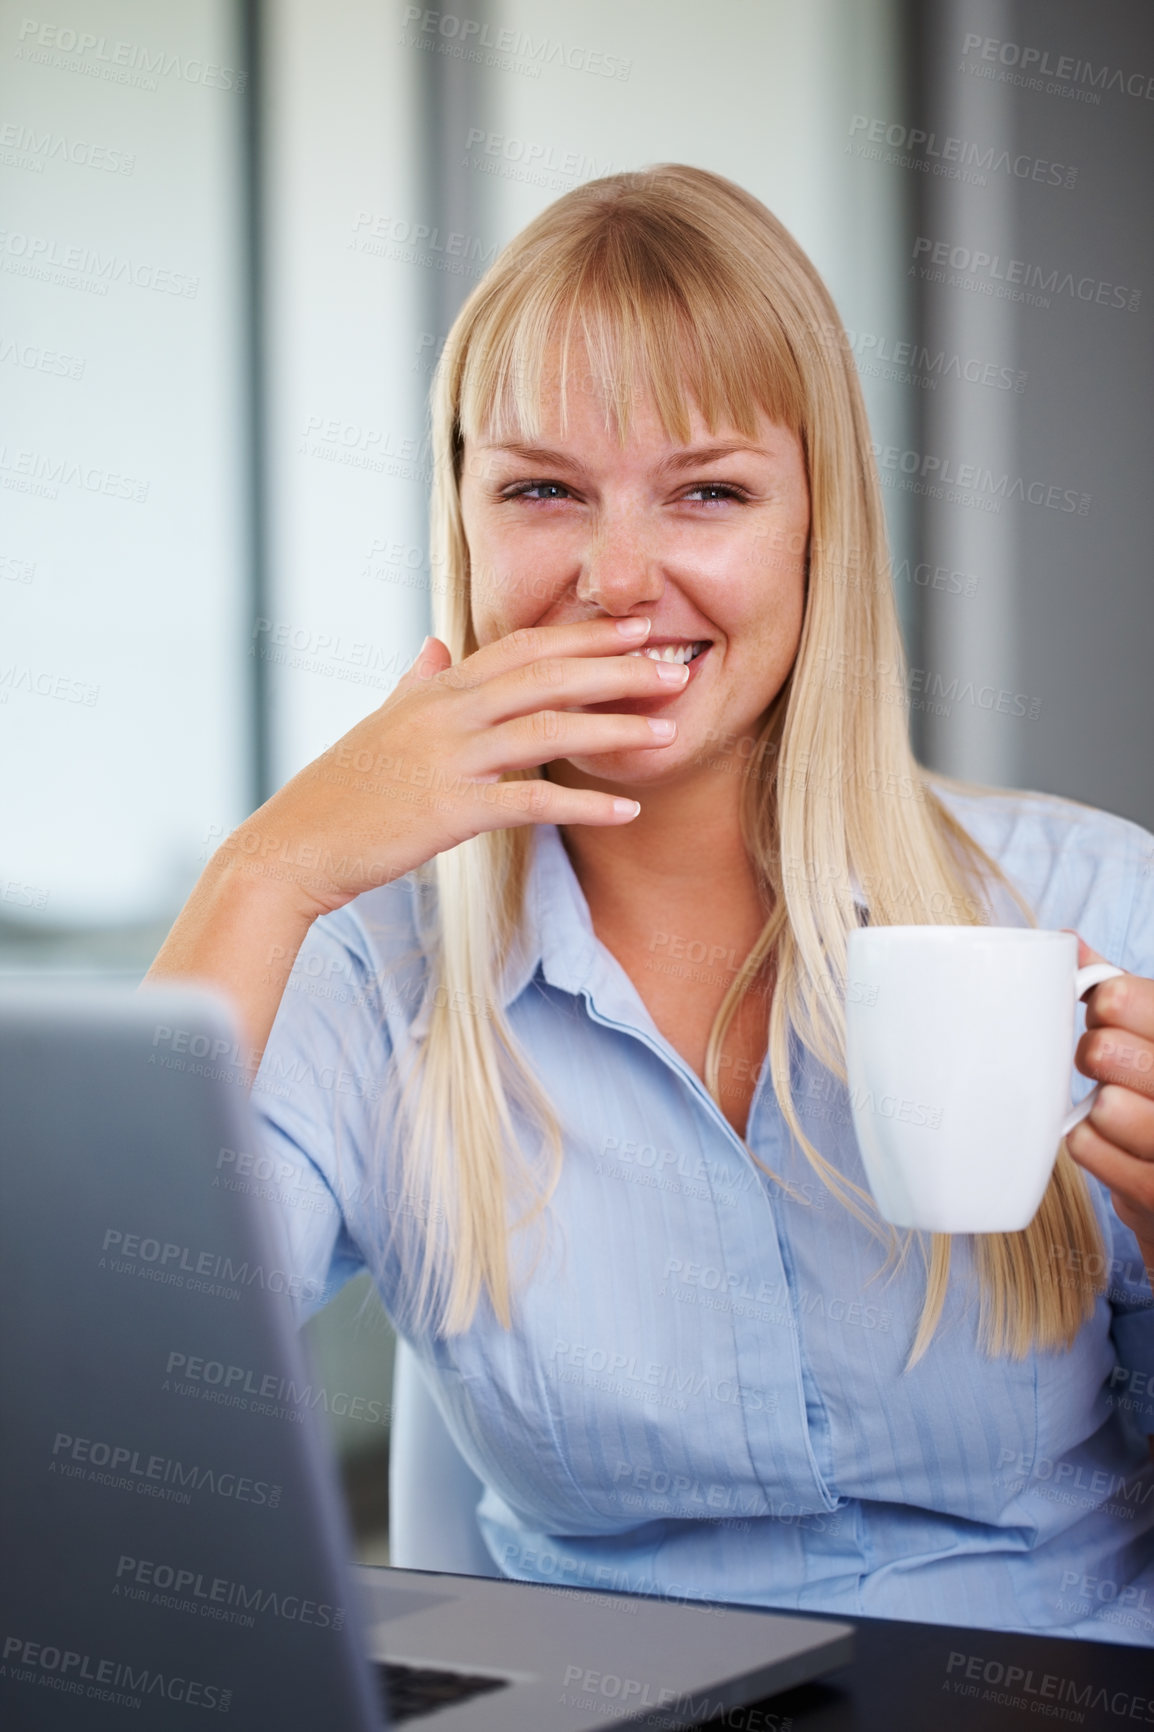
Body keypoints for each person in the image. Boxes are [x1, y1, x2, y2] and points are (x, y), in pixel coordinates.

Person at [146, 165, 1154, 1643]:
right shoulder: (364, 969)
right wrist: (267, 869)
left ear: (820, 530)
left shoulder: (1091, 900)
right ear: (468, 526)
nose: (617, 580)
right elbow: (91, 1376)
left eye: (708, 492)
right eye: (541, 489)